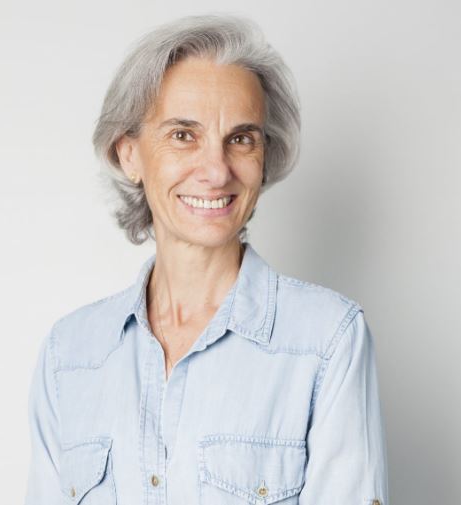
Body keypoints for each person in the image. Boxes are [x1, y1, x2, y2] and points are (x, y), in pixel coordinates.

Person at [25, 13, 389, 505]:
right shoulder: (69, 355)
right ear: (129, 154)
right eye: (183, 135)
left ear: (264, 157)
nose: (217, 171)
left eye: (241, 139)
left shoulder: (328, 341)